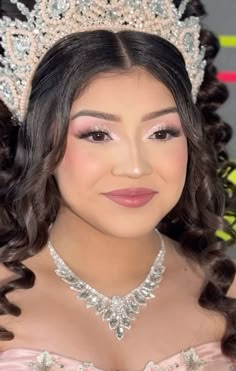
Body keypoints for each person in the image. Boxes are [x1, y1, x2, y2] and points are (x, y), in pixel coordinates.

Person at [0, 0, 236, 370]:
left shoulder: (227, 294)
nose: (136, 167)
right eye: (96, 134)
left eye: (161, 133)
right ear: (38, 141)